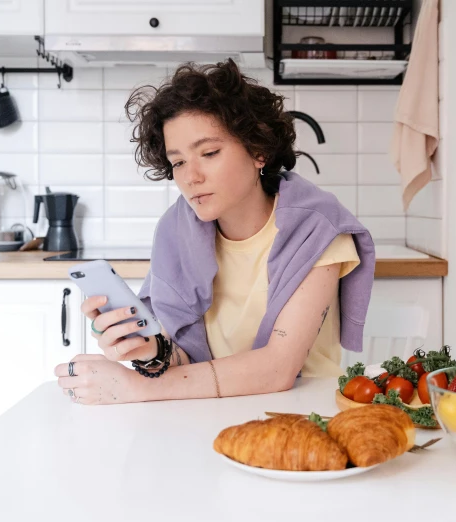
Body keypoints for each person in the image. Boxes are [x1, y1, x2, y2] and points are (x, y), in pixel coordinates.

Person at [54, 60, 375, 404]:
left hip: (302, 411)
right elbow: (186, 360)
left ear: (258, 151)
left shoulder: (318, 229)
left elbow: (278, 368)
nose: (190, 177)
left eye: (208, 153)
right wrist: (150, 350)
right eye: (177, 162)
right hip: (207, 408)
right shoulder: (175, 231)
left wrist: (138, 387)